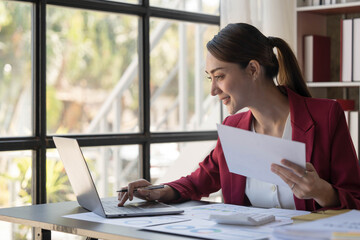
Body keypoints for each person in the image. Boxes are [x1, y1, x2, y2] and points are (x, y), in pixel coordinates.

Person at [118, 23, 360, 211]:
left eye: (220, 76)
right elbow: (197, 182)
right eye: (209, 78)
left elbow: (356, 199)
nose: (213, 90)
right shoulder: (233, 129)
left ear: (253, 69)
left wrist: (322, 192)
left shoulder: (325, 116)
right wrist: (157, 190)